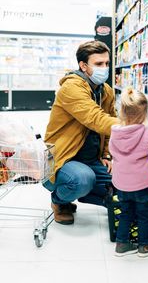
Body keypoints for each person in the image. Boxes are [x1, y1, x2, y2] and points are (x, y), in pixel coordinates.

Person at [43, 40, 118, 225]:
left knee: (121, 187)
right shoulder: (71, 88)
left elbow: (109, 126)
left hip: (91, 159)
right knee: (82, 179)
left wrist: (106, 154)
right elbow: (97, 119)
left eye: (107, 63)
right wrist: (135, 126)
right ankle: (59, 201)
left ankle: (82, 191)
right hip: (63, 158)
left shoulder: (106, 91)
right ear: (83, 66)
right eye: (99, 64)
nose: (105, 68)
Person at [109, 87, 148, 257]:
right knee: (144, 215)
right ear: (145, 114)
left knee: (126, 213)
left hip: (122, 184)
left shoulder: (114, 132)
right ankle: (145, 246)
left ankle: (122, 244)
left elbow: (113, 153)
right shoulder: (147, 132)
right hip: (142, 184)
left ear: (121, 111)